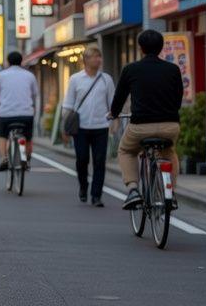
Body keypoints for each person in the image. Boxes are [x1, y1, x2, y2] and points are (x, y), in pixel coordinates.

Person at [110, 30, 184, 210]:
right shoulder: (173, 69)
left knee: (126, 150)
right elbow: (178, 99)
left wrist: (113, 113)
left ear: (140, 48)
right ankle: (170, 192)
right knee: (169, 152)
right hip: (170, 126)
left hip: (140, 127)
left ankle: (133, 189)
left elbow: (119, 99)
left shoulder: (130, 69)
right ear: (161, 47)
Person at [62, 47, 115, 206]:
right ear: (85, 60)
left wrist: (114, 122)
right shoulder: (75, 79)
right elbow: (68, 104)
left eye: (99, 57)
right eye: (94, 57)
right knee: (82, 159)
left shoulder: (107, 79)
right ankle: (83, 186)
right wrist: (64, 127)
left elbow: (113, 103)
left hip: (101, 126)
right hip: (81, 127)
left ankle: (96, 195)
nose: (98, 60)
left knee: (100, 161)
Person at [0, 52, 40, 171]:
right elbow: (35, 94)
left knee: (1, 135)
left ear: (7, 61)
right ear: (21, 61)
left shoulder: (1, 75)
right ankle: (26, 159)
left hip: (6, 114)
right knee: (28, 137)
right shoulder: (29, 75)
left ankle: (4, 158)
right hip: (26, 114)